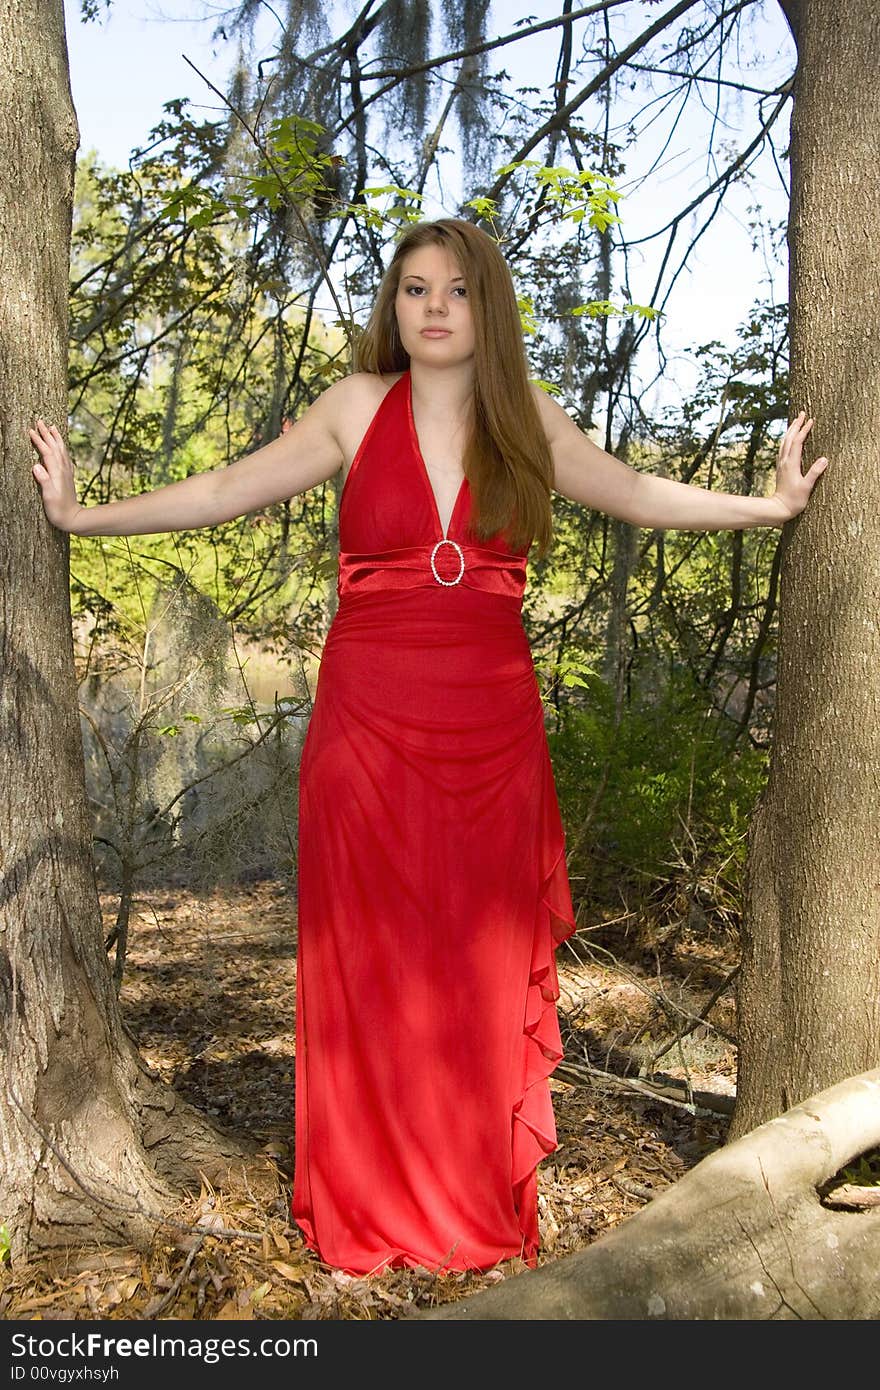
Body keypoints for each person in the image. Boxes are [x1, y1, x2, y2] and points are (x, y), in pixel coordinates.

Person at [31, 217, 829, 1277]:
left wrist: (766, 506)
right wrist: (85, 518)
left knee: (474, 960)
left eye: (456, 288)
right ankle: (368, 1200)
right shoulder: (354, 408)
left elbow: (636, 493)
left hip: (490, 730)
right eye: (414, 289)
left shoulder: (524, 420)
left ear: (485, 307)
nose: (436, 306)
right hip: (369, 722)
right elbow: (226, 488)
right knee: (371, 954)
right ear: (393, 310)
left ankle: (464, 1199)